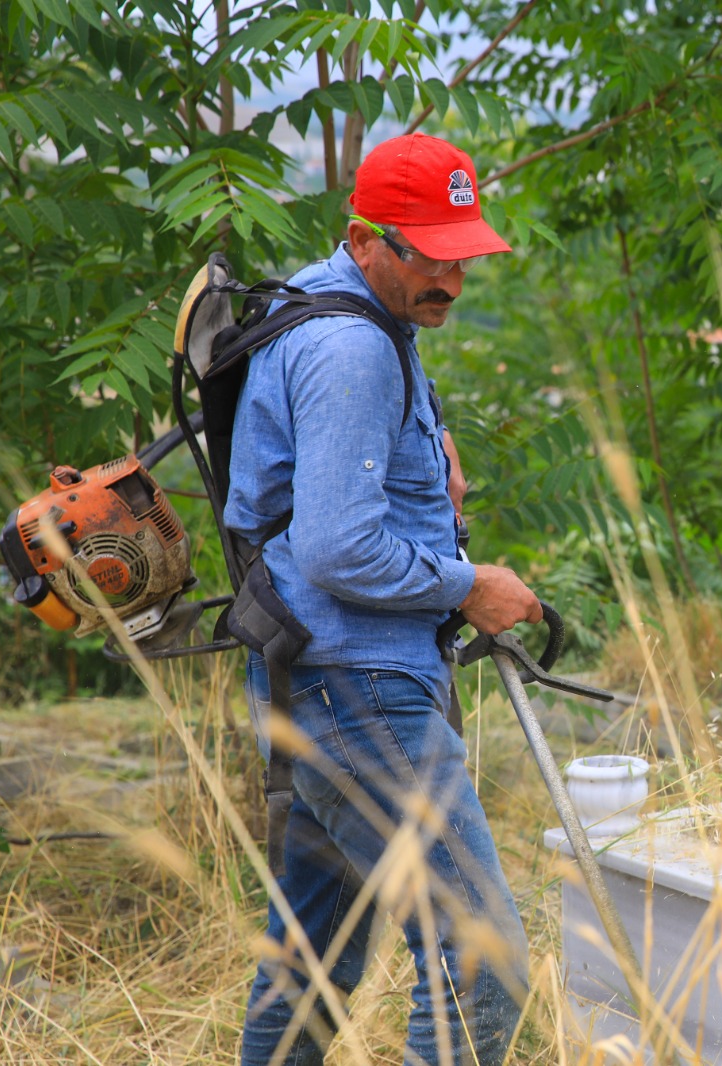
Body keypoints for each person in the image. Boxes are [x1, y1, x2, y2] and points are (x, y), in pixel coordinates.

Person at [226, 133, 541, 1066]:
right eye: (429, 257)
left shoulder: (337, 311)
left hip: (314, 681)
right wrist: (470, 585)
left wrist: (425, 469)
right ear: (363, 238)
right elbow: (338, 548)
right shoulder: (352, 347)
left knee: (310, 962)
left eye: (463, 257)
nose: (451, 279)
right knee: (483, 964)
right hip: (356, 691)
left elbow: (326, 493)